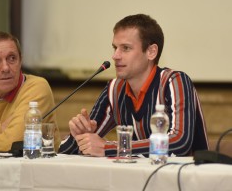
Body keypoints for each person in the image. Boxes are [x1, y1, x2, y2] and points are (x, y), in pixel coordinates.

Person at [58, 14, 209, 157]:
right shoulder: (115, 90)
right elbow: (64, 152)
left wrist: (110, 147)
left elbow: (179, 143)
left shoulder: (174, 82)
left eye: (126, 48)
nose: (115, 56)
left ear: (151, 52)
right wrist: (78, 136)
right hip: (138, 180)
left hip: (186, 179)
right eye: (115, 47)